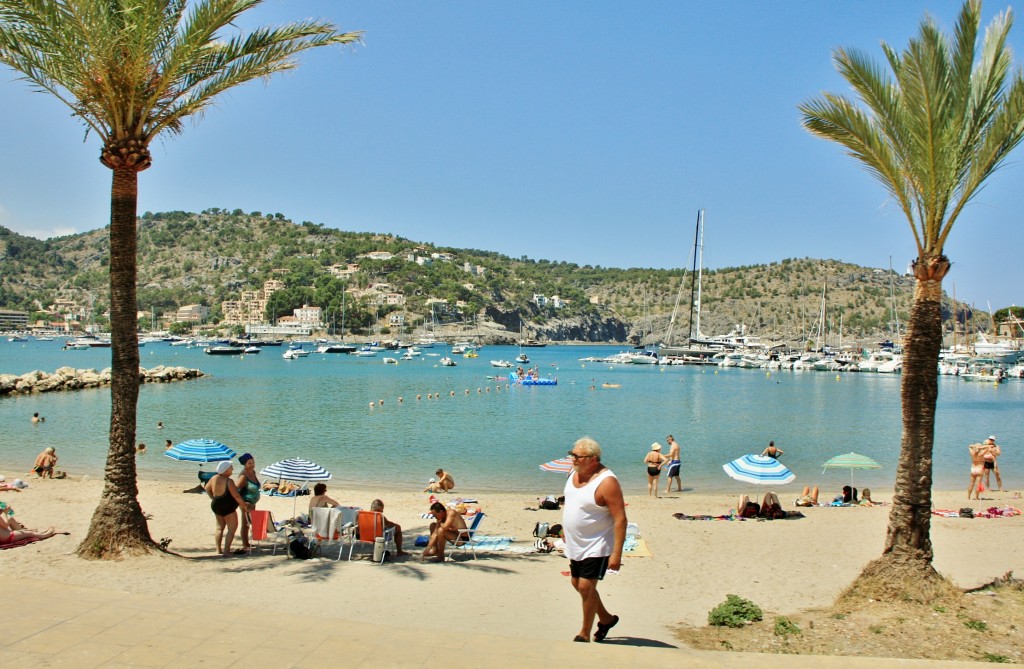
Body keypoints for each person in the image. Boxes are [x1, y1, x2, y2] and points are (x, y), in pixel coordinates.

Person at [562, 437, 626, 643]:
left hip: (597, 544)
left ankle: (584, 633)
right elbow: (573, 503)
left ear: (593, 459)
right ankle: (606, 619)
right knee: (576, 582)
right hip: (575, 542)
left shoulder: (607, 483)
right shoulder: (573, 472)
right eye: (572, 455)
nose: (573, 459)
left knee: (585, 587)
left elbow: (620, 520)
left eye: (578, 456)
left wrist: (616, 554)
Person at [204, 460, 246, 557]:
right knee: (232, 528)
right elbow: (237, 496)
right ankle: (226, 551)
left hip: (216, 504)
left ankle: (218, 549)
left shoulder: (214, 478)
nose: (233, 469)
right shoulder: (229, 481)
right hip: (227, 506)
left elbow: (207, 488)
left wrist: (213, 498)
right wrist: (244, 505)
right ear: (226, 470)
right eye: (231, 467)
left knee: (219, 528)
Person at [0, 504, 67, 545]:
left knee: (11, 520)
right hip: (8, 537)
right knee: (30, 533)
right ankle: (44, 535)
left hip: (5, 535)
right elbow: (5, 525)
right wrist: (6, 513)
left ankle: (25, 532)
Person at [235, 453, 261, 551]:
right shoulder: (243, 476)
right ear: (244, 464)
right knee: (245, 524)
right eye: (249, 463)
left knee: (249, 523)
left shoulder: (253, 472)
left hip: (253, 502)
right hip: (246, 503)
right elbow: (236, 489)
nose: (252, 464)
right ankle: (245, 544)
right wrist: (242, 503)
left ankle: (247, 543)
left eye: (253, 462)